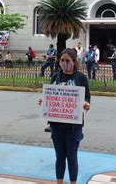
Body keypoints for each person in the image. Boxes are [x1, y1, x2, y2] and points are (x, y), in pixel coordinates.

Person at [38, 48, 91, 184]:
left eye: (67, 60)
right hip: (56, 125)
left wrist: (86, 104)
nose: (64, 63)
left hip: (74, 127)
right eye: (62, 60)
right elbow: (51, 94)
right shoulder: (56, 76)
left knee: (72, 157)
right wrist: (44, 102)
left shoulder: (81, 78)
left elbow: (87, 97)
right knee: (59, 157)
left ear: (74, 62)